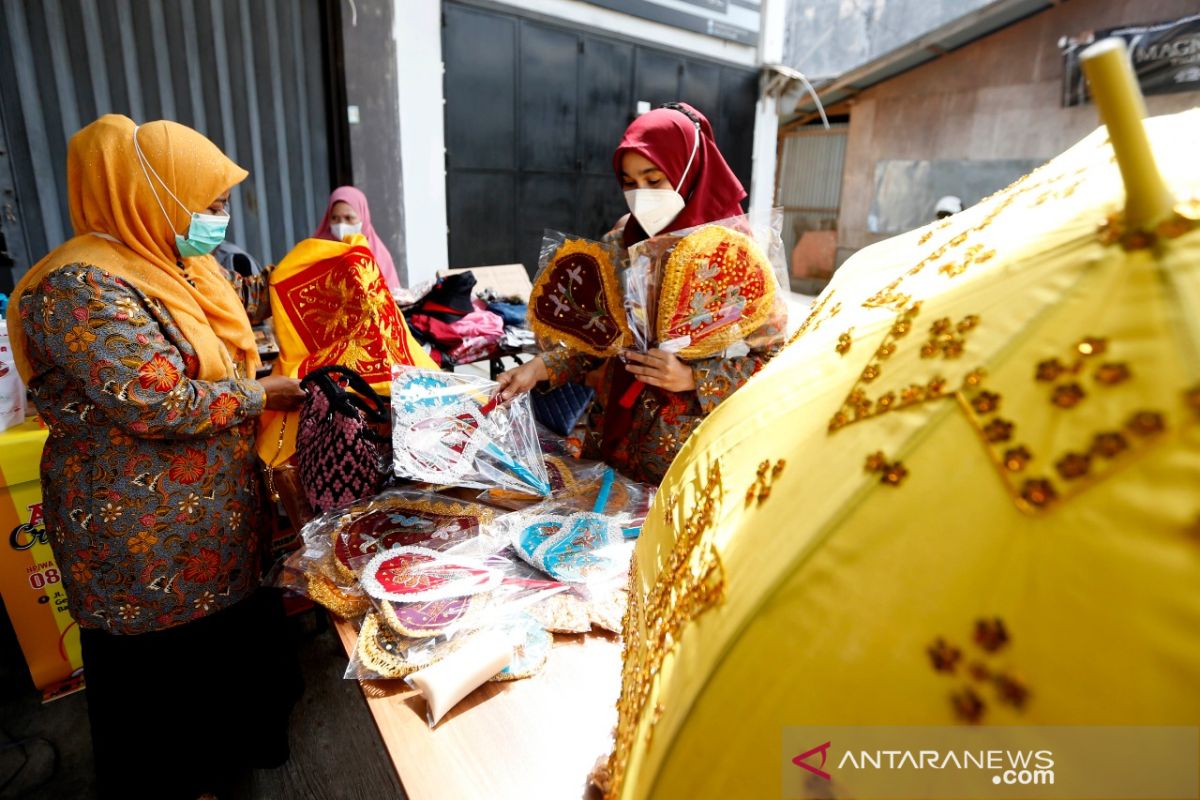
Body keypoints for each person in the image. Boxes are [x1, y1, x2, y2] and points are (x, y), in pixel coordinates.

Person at [6, 114, 306, 799]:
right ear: (154, 196)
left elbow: (225, 356)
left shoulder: (177, 267)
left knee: (222, 680)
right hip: (145, 545)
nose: (219, 217)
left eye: (221, 201)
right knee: (165, 708)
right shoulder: (77, 286)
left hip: (216, 523)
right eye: (208, 201)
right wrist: (262, 395)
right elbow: (155, 401)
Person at [497, 102, 786, 483]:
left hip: (688, 443)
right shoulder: (621, 242)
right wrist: (541, 367)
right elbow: (599, 338)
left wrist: (694, 378)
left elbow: (777, 357)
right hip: (613, 425)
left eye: (653, 180)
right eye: (629, 183)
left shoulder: (733, 254)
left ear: (688, 170)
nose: (640, 195)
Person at [313, 185, 401, 291]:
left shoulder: (379, 255)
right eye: (335, 218)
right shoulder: (317, 251)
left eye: (348, 218)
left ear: (363, 218)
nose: (341, 224)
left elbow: (391, 298)